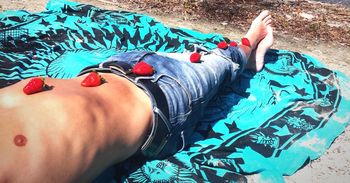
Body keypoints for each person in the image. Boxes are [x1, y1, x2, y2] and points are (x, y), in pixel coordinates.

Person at [0, 10, 273, 183]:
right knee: (224, 60)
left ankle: (236, 55)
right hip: (165, 99)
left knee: (199, 57)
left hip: (113, 67)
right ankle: (246, 51)